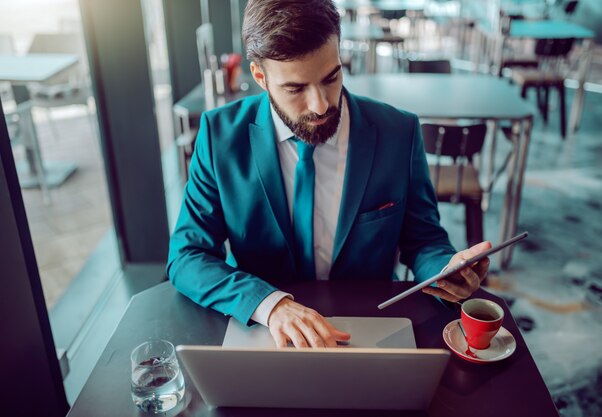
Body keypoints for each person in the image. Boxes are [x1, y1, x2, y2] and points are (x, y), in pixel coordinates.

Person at [168, 0, 491, 348]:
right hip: (262, 330)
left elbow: (424, 240)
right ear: (260, 77)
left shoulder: (399, 131)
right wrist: (270, 306)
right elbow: (187, 256)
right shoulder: (220, 136)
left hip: (370, 327)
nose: (321, 105)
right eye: (295, 89)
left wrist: (444, 271)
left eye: (331, 77)